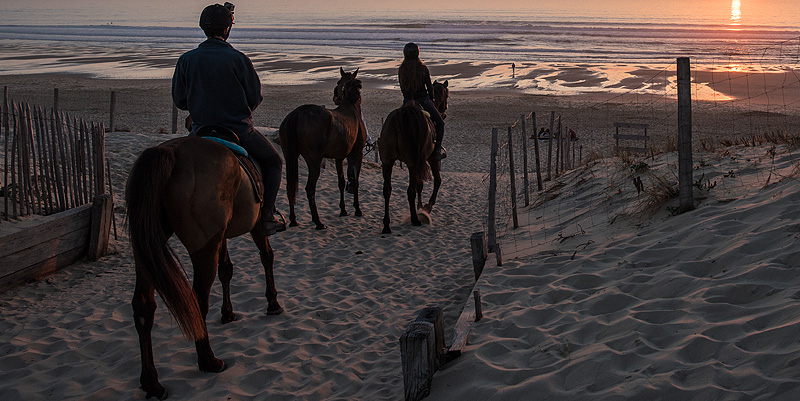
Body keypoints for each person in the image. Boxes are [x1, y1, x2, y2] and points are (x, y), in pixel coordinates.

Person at [172, 2, 285, 236]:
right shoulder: (239, 59)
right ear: (227, 29)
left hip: (200, 131)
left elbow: (180, 101)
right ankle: (266, 217)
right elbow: (255, 97)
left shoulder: (186, 59)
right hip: (238, 131)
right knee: (274, 162)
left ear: (203, 28)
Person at [398, 42, 446, 160]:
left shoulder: (402, 69)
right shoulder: (423, 68)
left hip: (407, 101)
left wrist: (408, 99)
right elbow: (430, 87)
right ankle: (436, 151)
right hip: (423, 101)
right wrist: (432, 98)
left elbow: (402, 88)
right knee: (440, 124)